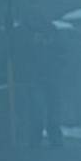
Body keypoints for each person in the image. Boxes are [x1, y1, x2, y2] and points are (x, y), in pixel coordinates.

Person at [15, 14, 63, 148]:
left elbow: (61, 52)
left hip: (51, 77)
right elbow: (18, 53)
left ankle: (54, 139)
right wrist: (32, 44)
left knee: (53, 111)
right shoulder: (23, 31)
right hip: (34, 78)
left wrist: (51, 45)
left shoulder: (50, 29)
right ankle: (36, 140)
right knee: (37, 111)